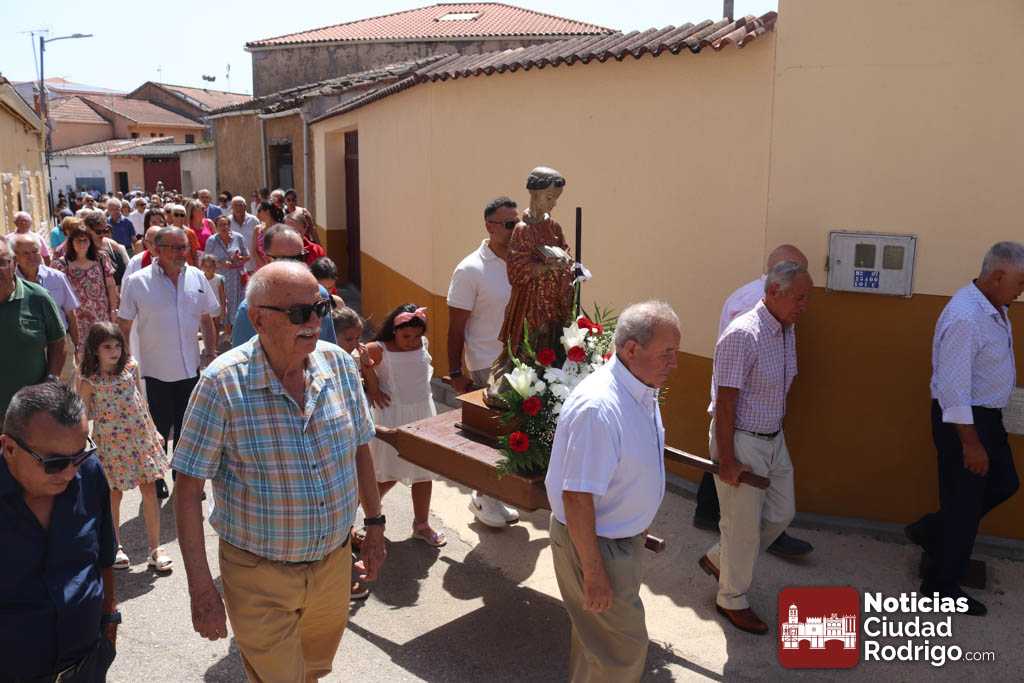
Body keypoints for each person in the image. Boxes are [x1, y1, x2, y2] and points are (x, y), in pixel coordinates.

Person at [173, 261, 386, 681]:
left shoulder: (340, 366)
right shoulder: (221, 384)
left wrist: (375, 526)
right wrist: (201, 588)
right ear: (258, 320)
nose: (313, 322)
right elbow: (187, 490)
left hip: (333, 566)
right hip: (258, 577)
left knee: (313, 671)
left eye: (319, 308)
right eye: (298, 313)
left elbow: (361, 448)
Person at [546, 300, 679, 682]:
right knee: (622, 653)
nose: (674, 363)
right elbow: (577, 497)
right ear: (632, 349)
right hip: (596, 546)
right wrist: (593, 573)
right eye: (667, 353)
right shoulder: (600, 407)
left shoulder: (640, 389)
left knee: (598, 647)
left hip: (615, 542)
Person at [906, 241, 1024, 616]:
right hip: (964, 422)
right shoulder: (966, 317)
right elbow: (953, 389)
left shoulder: (993, 307)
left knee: (1004, 483)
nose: (1022, 290)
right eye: (1020, 282)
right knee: (964, 505)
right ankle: (940, 586)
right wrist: (971, 444)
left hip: (986, 419)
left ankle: (932, 531)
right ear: (998, 276)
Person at [700, 261, 812, 635]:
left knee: (781, 512)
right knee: (742, 528)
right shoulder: (743, 334)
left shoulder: (785, 329)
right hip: (743, 440)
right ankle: (731, 598)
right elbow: (725, 402)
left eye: (806, 298)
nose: (804, 306)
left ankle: (721, 557)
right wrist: (728, 459)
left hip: (773, 439)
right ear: (774, 292)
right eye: (799, 298)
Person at [0, 382, 119, 681]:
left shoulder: (90, 474)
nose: (70, 472)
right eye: (55, 463)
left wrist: (110, 621)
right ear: (9, 448)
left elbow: (104, 556)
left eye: (80, 455)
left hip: (87, 667)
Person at [118, 227, 220, 500]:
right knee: (158, 428)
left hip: (190, 369)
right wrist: (123, 362)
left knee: (187, 427)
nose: (180, 253)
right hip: (155, 370)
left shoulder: (197, 276)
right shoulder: (138, 282)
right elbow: (124, 325)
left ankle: (182, 478)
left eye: (183, 247)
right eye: (174, 248)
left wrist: (211, 352)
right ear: (157, 250)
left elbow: (207, 318)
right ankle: (156, 477)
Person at [447, 196, 521, 527]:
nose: (516, 229)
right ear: (489, 226)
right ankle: (483, 498)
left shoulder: (522, 263)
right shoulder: (470, 269)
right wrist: (455, 372)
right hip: (486, 363)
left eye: (518, 222)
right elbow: (456, 327)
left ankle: (491, 496)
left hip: (520, 363)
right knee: (491, 434)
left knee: (511, 434)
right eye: (509, 224)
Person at [78, 322, 173, 574]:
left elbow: (142, 401)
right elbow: (81, 415)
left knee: (150, 489)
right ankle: (116, 546)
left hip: (140, 439)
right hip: (110, 444)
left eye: (117, 346)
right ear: (95, 350)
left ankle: (155, 548)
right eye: (107, 347)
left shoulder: (131, 367)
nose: (114, 351)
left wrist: (154, 429)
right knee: (114, 494)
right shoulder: (89, 380)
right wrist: (79, 446)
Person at [363, 304, 447, 547]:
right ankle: (364, 519)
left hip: (423, 416)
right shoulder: (378, 349)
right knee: (386, 474)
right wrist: (373, 388)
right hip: (392, 418)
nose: (412, 342)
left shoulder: (423, 345)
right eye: (406, 336)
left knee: (423, 473)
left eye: (417, 336)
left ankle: (421, 525)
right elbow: (360, 366)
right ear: (394, 330)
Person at [231, 225, 337, 347]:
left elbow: (329, 345)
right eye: (284, 259)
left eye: (299, 257)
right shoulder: (251, 308)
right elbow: (242, 355)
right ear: (267, 259)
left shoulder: (320, 295)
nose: (292, 266)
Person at [0, 240, 67, 421]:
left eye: (1, 262)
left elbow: (58, 342)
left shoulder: (38, 297)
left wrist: (51, 381)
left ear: (14, 263)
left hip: (30, 413)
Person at [12, 233, 81, 386]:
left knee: (64, 390)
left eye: (35, 251)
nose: (32, 257)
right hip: (27, 349)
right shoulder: (9, 282)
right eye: (25, 253)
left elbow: (71, 315)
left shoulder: (57, 277)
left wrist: (77, 345)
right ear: (15, 257)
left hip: (61, 345)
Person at [54, 225, 118, 357]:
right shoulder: (61, 264)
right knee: (83, 356)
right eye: (78, 240)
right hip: (76, 321)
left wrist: (113, 310)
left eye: (85, 240)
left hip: (101, 316)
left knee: (103, 352)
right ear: (71, 242)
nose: (82, 244)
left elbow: (111, 285)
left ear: (90, 241)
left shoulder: (101, 258)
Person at [203, 215, 248, 340]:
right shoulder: (212, 240)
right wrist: (221, 264)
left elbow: (247, 256)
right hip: (220, 279)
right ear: (216, 227)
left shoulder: (238, 237)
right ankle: (226, 334)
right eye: (221, 225)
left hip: (237, 278)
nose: (224, 227)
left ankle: (235, 334)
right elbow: (206, 260)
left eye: (226, 224)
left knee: (237, 305)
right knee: (224, 305)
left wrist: (239, 259)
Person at [82, 210, 130, 288]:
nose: (103, 234)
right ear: (88, 230)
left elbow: (126, 271)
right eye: (98, 232)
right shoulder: (81, 249)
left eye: (105, 230)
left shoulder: (112, 245)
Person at [228, 195, 260, 278]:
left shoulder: (254, 221)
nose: (238, 208)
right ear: (231, 207)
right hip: (235, 266)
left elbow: (260, 239)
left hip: (253, 265)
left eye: (240, 205)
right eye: (235, 205)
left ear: (245, 206)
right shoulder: (227, 222)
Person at [200, 253, 228, 341]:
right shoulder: (200, 278)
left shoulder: (218, 279)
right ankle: (209, 344)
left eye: (210, 266)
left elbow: (222, 295)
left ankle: (215, 344)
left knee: (216, 327)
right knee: (206, 328)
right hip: (205, 308)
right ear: (202, 267)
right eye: (205, 266)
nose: (208, 269)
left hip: (216, 307)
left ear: (215, 267)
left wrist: (223, 309)